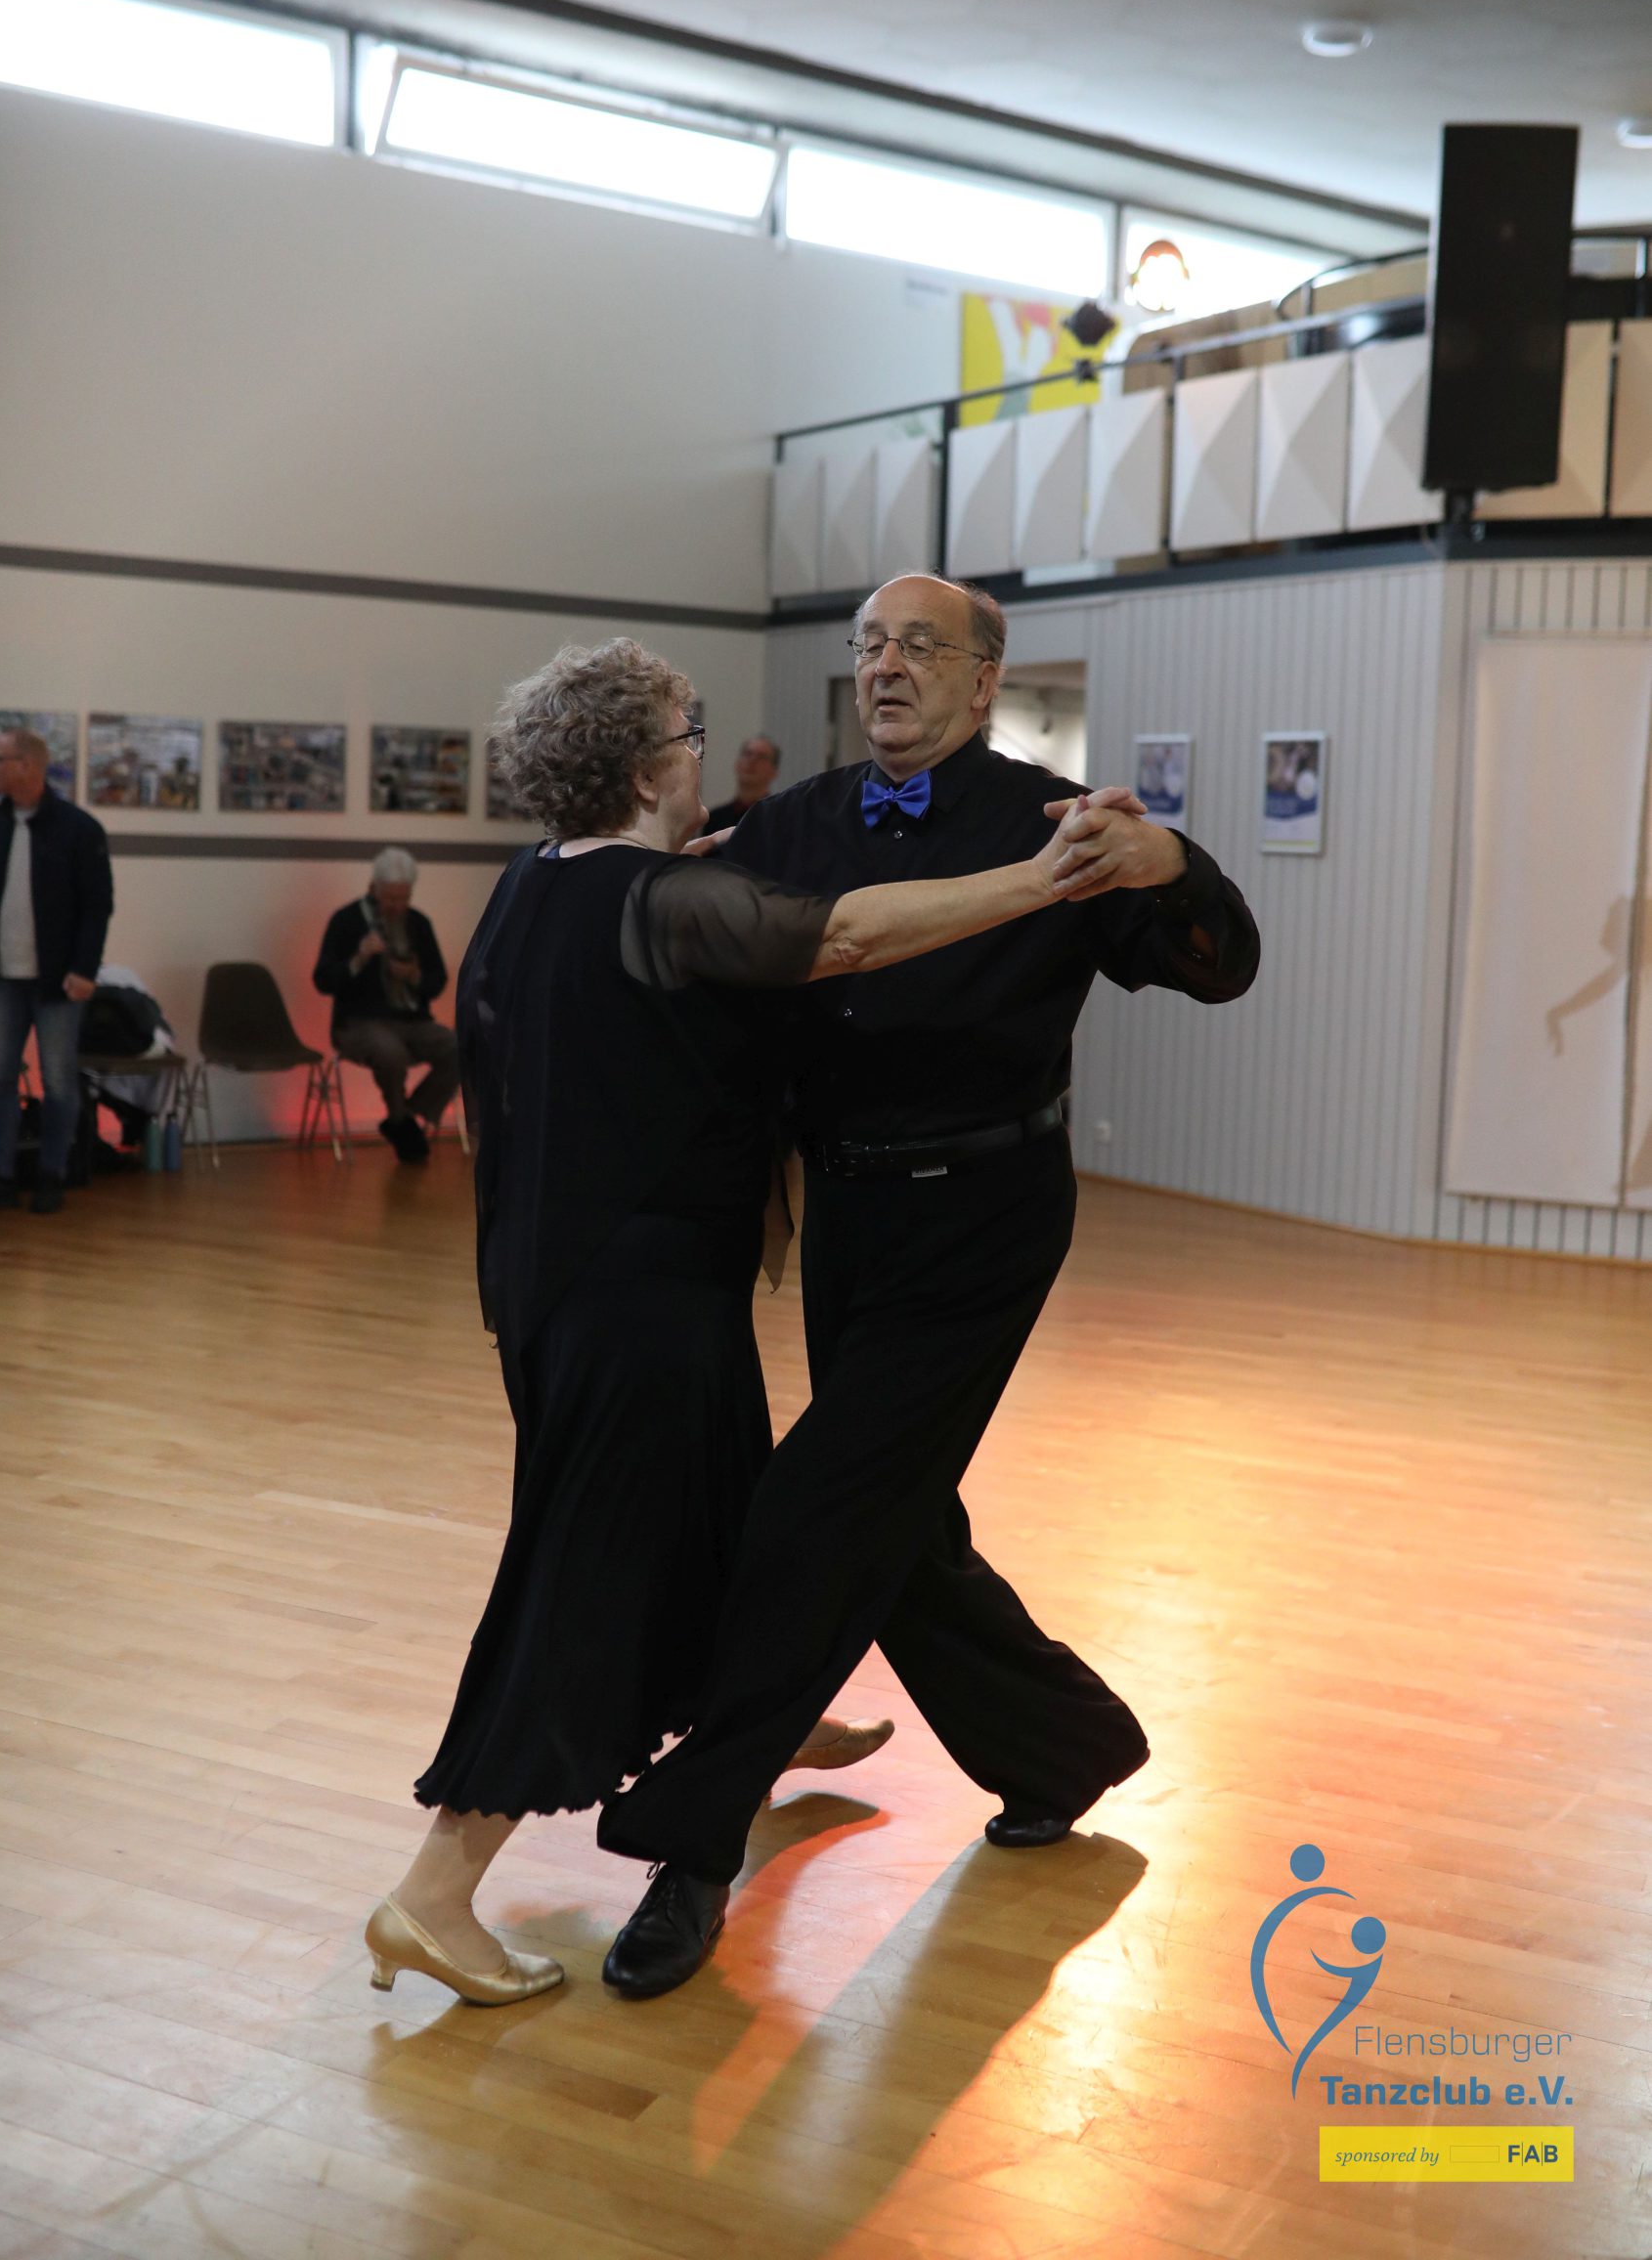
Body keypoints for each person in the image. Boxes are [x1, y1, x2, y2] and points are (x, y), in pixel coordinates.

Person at [365, 637, 1123, 2007]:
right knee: (578, 1590)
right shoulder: (661, 901)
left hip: (570, 1297)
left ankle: (766, 1720)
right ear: (645, 766)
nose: (700, 754)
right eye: (688, 732)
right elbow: (844, 937)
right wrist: (1042, 876)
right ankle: (433, 1893)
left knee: (729, 1520)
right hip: (639, 1310)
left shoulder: (536, 884)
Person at [595, 573, 1260, 1999]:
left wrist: (1170, 864)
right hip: (844, 1212)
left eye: (920, 646)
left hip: (984, 1218)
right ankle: (1063, 1747)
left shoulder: (1055, 824)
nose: (888, 667)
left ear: (981, 678)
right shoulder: (797, 821)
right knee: (887, 1513)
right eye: (871, 646)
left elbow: (1220, 968)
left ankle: (694, 1839)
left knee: (813, 1503)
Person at [0, 725, 113, 1215]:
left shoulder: (78, 829)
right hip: (0, 977)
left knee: (58, 1079)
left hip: (58, 978)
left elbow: (97, 906)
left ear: (27, 766)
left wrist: (85, 968)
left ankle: (52, 1174)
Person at [312, 848, 459, 1163]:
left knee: (461, 1048)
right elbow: (323, 980)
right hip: (358, 1022)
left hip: (413, 1019)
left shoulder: (418, 923)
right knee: (390, 1052)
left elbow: (437, 981)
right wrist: (359, 958)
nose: (397, 905)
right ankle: (400, 1120)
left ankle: (406, 1116)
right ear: (373, 888)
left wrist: (414, 976)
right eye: (390, 898)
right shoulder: (347, 921)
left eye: (403, 898)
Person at [704, 731, 779, 835]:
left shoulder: (779, 818)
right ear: (737, 764)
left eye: (762, 757)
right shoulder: (715, 819)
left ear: (773, 772)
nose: (752, 760)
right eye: (748, 754)